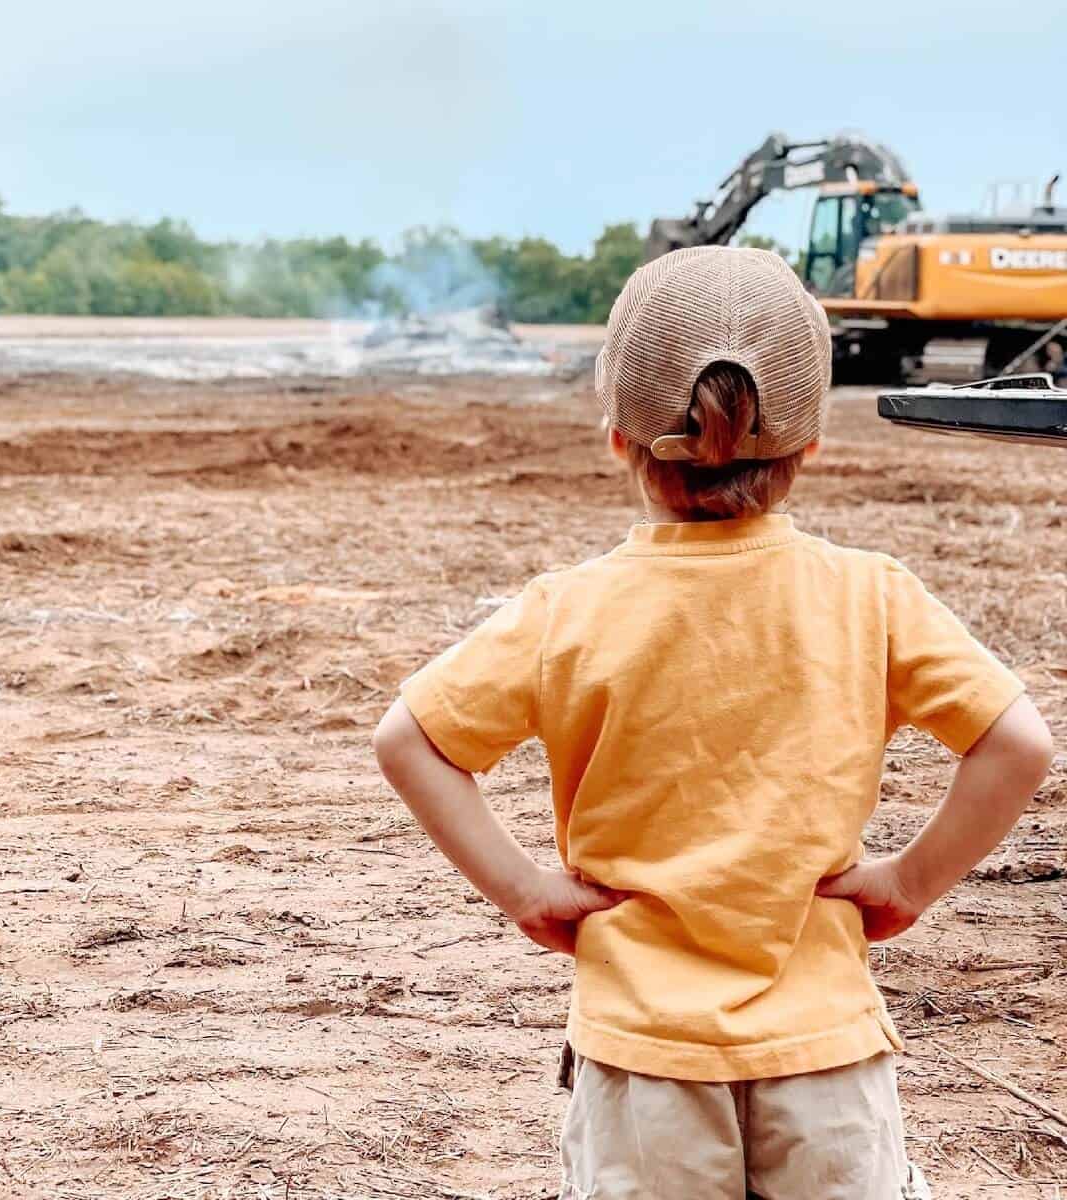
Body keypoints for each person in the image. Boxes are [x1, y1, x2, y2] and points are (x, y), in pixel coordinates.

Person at [373, 246, 1053, 1199]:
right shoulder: (871, 596)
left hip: (643, 1057)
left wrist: (523, 890)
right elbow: (1018, 746)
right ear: (810, 442)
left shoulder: (566, 610)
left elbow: (409, 742)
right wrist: (909, 880)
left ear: (618, 437)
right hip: (829, 1056)